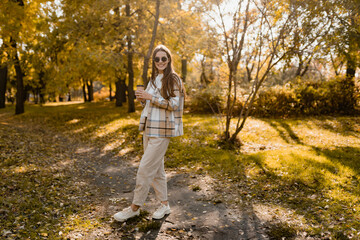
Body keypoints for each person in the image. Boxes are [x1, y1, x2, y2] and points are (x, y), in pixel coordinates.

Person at [113, 45, 184, 222]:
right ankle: (165, 205)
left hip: (162, 131)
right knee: (157, 169)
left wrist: (151, 97)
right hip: (148, 129)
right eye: (157, 59)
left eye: (164, 58)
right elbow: (150, 106)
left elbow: (175, 105)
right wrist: (143, 100)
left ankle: (134, 208)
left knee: (145, 169)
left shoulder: (174, 79)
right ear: (153, 61)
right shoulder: (153, 80)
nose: (160, 62)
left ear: (168, 60)